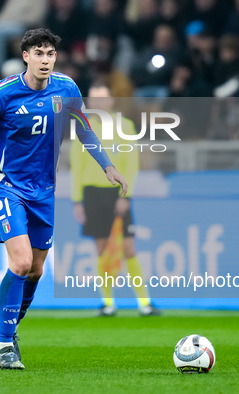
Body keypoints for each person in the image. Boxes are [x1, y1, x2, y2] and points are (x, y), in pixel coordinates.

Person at [0, 28, 128, 370]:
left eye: (50, 54)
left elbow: (83, 128)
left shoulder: (66, 89)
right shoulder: (2, 93)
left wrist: (107, 165)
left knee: (36, 271)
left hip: (44, 192)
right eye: (39, 53)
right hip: (8, 186)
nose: (45, 60)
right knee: (20, 263)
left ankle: (10, 329)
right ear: (26, 57)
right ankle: (4, 346)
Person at [70, 83, 160, 317]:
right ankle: (108, 303)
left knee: (129, 248)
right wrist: (77, 201)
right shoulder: (82, 128)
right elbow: (76, 168)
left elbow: (132, 164)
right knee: (102, 251)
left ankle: (144, 303)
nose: (99, 103)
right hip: (92, 193)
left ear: (111, 101)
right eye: (95, 99)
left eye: (103, 98)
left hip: (116, 193)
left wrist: (125, 194)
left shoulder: (126, 126)